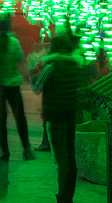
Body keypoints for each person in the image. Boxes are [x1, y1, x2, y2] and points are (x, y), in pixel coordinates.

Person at [0, 14, 35, 199]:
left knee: (1, 119)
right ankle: (26, 147)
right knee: (19, 116)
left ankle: (4, 150)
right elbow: (19, 57)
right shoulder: (13, 42)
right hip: (13, 83)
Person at [38, 33, 85, 203]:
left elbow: (37, 86)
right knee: (70, 157)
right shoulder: (75, 65)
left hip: (54, 116)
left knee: (60, 159)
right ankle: (68, 196)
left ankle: (62, 196)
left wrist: (31, 69)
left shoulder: (51, 66)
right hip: (69, 115)